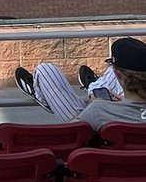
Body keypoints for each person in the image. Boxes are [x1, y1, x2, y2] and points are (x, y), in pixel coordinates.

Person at [14, 37, 146, 129]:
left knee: (45, 70)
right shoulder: (101, 109)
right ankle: (94, 85)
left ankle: (43, 94)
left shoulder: (98, 110)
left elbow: (72, 136)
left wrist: (94, 104)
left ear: (118, 75)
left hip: (106, 164)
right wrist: (123, 101)